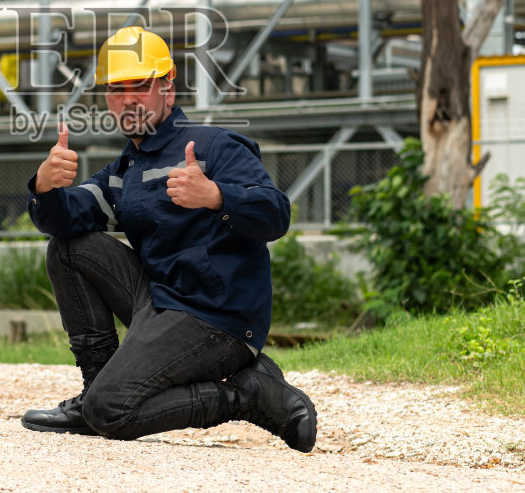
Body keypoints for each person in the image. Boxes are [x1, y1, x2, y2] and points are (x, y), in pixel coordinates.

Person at [21, 27, 316, 451]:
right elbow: (67, 219)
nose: (129, 99)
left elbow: (276, 214)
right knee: (69, 248)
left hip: (217, 317)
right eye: (116, 88)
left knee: (113, 412)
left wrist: (216, 196)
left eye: (140, 85)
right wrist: (45, 189)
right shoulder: (125, 170)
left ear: (168, 90)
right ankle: (94, 390)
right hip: (160, 301)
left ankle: (247, 395)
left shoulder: (215, 147)